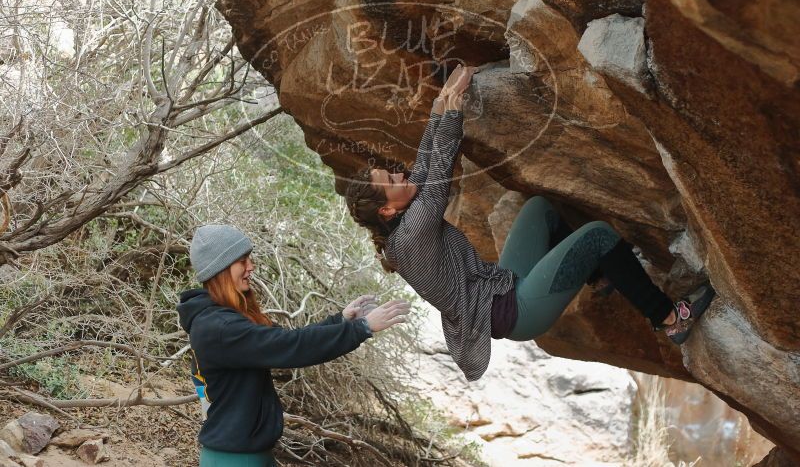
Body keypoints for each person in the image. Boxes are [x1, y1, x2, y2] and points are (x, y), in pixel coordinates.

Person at [345, 64, 715, 381]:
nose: (399, 175)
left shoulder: (405, 218)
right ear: (386, 212)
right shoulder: (410, 236)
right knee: (599, 236)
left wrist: (441, 102)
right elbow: (438, 168)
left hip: (501, 286)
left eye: (391, 174)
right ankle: (670, 319)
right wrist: (452, 108)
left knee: (540, 209)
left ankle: (601, 276)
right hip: (516, 312)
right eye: (390, 182)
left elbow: (424, 164)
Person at [177, 224, 410, 466]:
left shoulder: (218, 321)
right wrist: (361, 329)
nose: (251, 267)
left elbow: (286, 339)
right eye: (243, 260)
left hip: (243, 455)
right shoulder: (220, 328)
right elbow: (291, 346)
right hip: (236, 459)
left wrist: (341, 320)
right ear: (221, 268)